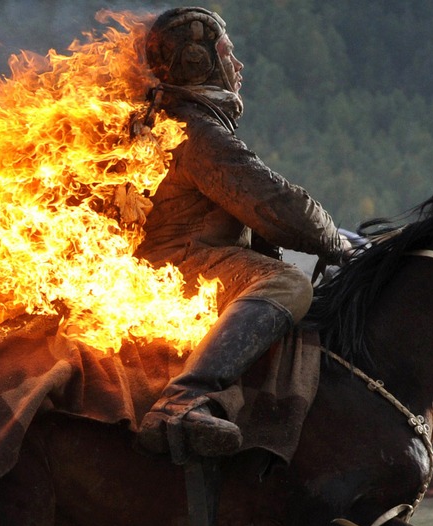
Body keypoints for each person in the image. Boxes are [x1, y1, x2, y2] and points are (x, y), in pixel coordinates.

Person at [134, 7, 346, 461]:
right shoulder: (198, 133)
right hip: (178, 266)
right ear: (199, 62)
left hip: (176, 262)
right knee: (287, 283)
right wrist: (339, 242)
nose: (240, 66)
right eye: (229, 54)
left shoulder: (178, 123)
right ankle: (183, 401)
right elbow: (281, 208)